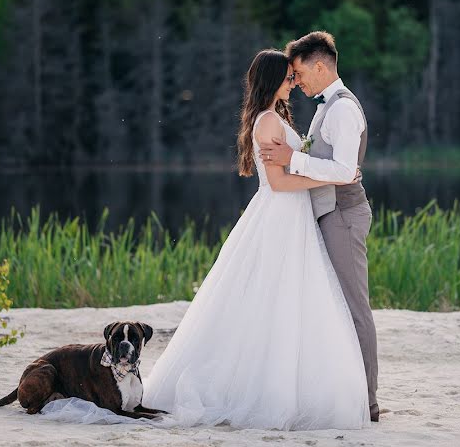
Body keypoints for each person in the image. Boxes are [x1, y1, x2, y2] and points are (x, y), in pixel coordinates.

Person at [142, 49, 370, 430]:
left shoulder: (275, 117)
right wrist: (333, 177)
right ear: (270, 81)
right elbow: (279, 183)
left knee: (291, 302)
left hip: (293, 216)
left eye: (294, 77)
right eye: (287, 77)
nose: (293, 82)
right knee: (272, 300)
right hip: (280, 216)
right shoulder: (267, 122)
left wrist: (326, 173)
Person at [259, 31, 379, 422]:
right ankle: (345, 394)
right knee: (335, 307)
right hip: (328, 215)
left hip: (343, 215)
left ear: (320, 66)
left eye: (298, 72)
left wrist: (294, 158)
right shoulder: (326, 107)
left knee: (354, 307)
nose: (296, 81)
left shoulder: (342, 109)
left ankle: (368, 402)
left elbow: (345, 172)